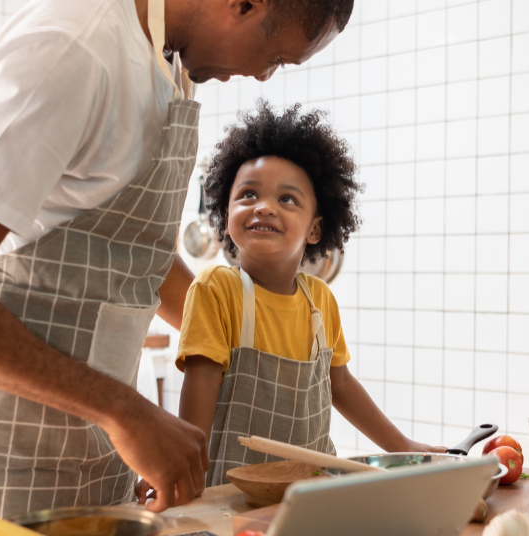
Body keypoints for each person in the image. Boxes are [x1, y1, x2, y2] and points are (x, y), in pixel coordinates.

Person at [0, 0, 352, 536]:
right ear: (241, 4)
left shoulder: (169, 64)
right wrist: (125, 411)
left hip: (80, 416)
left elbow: (130, 251)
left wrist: (242, 330)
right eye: (277, 56)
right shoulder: (74, 47)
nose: (262, 75)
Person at [169, 101, 444, 488]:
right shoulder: (216, 290)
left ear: (315, 229)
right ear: (225, 215)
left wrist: (401, 447)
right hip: (231, 496)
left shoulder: (320, 300)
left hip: (311, 490)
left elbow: (341, 384)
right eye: (248, 194)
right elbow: (198, 388)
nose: (264, 207)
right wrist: (184, 474)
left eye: (287, 199)